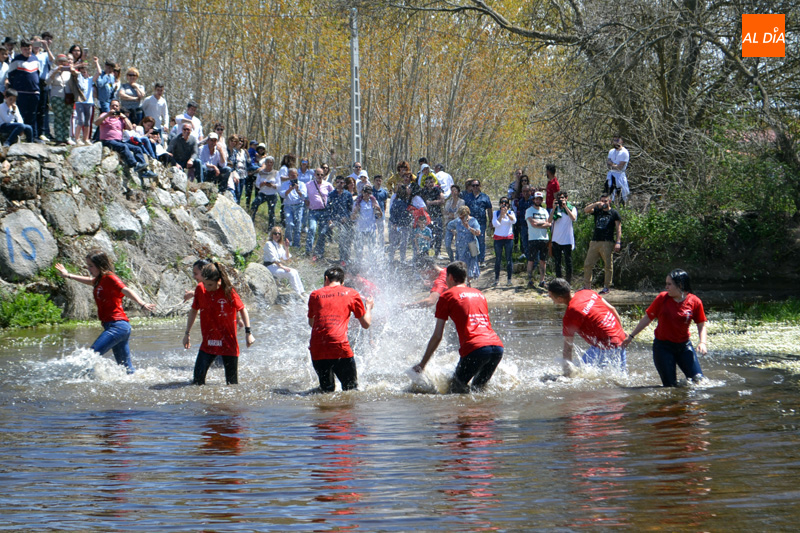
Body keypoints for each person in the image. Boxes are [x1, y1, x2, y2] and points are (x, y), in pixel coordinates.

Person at [54, 250, 156, 374]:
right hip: (118, 327)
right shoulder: (99, 280)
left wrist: (142, 303)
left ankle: (80, 381)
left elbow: (125, 289)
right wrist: (68, 275)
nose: (88, 268)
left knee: (90, 356)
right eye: (88, 265)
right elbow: (90, 281)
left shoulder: (110, 277)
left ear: (100, 265)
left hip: (118, 327)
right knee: (127, 371)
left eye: (91, 265)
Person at [414, 261, 504, 393]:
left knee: (455, 391)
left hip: (475, 348)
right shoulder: (479, 294)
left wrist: (422, 364)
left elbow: (438, 335)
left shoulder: (447, 296)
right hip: (497, 348)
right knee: (478, 391)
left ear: (450, 277)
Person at [622, 269, 708, 387]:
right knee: (670, 386)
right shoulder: (662, 298)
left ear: (680, 285)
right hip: (663, 348)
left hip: (684, 346)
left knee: (699, 381)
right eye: (666, 283)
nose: (666, 287)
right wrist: (631, 336)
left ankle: (689, 404)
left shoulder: (695, 302)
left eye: (669, 284)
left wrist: (702, 342)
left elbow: (701, 324)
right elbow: (647, 318)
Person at [184, 262, 255, 385]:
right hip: (208, 343)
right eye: (204, 283)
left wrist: (248, 333)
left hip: (228, 344)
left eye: (210, 284)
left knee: (232, 384)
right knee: (197, 383)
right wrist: (187, 334)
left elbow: (242, 309)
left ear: (219, 282)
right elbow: (194, 310)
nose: (206, 287)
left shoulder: (228, 292)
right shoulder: (200, 289)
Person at [307, 266, 374, 392]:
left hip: (317, 347)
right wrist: (369, 307)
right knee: (351, 390)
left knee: (326, 391)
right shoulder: (352, 293)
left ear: (326, 279)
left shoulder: (315, 294)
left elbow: (312, 323)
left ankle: (325, 411)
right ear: (342, 282)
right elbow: (366, 324)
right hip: (339, 345)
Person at [547, 278, 627, 376]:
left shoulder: (571, 314)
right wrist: (621, 331)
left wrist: (566, 374)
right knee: (621, 377)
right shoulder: (586, 292)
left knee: (579, 376)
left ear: (559, 299)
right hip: (621, 339)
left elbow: (568, 348)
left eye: (550, 296)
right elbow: (612, 309)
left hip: (607, 345)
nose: (550, 298)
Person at [96, 99, 156, 179]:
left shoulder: (120, 118)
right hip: (107, 140)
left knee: (137, 148)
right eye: (113, 105)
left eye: (116, 106)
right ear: (110, 107)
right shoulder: (104, 115)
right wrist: (107, 115)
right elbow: (96, 123)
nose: (114, 107)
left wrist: (124, 117)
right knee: (123, 147)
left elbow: (130, 127)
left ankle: (145, 171)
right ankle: (134, 164)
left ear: (119, 108)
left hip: (119, 141)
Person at [583, 193, 622, 295]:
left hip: (607, 242)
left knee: (608, 265)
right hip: (595, 241)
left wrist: (618, 241)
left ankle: (606, 287)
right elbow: (586, 210)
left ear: (609, 201)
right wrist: (596, 204)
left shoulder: (614, 213)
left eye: (605, 201)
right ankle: (587, 286)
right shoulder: (597, 211)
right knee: (588, 264)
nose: (603, 203)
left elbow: (618, 229)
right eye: (602, 201)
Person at [7, 40, 43, 142]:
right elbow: (11, 75)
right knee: (20, 115)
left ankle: (33, 137)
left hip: (34, 92)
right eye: (25, 49)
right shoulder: (16, 60)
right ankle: (18, 136)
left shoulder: (35, 59)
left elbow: (38, 75)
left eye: (29, 49)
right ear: (21, 49)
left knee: (33, 115)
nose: (28, 51)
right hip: (21, 92)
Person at [262, 226, 305, 295]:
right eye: (275, 233)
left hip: (276, 266)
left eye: (279, 234)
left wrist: (287, 247)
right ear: (272, 234)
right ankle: (298, 294)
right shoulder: (268, 244)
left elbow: (286, 257)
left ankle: (302, 292)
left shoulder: (279, 245)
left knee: (295, 272)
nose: (277, 235)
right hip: (269, 267)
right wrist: (283, 267)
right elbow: (274, 259)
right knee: (291, 273)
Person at [45, 53, 75, 145]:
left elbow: (77, 82)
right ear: (57, 62)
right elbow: (47, 82)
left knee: (67, 118)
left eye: (64, 61)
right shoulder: (53, 70)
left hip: (68, 97)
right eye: (60, 61)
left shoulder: (69, 71)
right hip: (56, 97)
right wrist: (55, 72)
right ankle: (59, 138)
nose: (62, 63)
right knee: (58, 117)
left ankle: (66, 137)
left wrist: (74, 72)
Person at [547, 191, 577, 282]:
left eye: (562, 198)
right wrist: (553, 208)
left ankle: (568, 281)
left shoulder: (572, 208)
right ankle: (559, 281)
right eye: (559, 198)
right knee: (557, 262)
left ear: (566, 198)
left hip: (567, 239)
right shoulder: (555, 209)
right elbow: (549, 221)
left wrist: (565, 207)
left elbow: (573, 218)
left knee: (568, 262)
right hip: (556, 239)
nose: (561, 200)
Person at [306, 167, 334, 259]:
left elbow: (334, 195)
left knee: (322, 232)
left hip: (324, 211)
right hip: (312, 211)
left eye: (322, 175)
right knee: (312, 229)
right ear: (314, 174)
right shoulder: (308, 184)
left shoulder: (328, 185)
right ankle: (308, 250)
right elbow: (303, 195)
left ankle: (319, 252)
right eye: (318, 174)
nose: (320, 176)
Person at [448, 205, 481, 285]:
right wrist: (454, 231)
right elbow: (449, 225)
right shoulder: (458, 221)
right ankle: (464, 282)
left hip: (471, 245)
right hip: (460, 246)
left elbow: (478, 233)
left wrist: (468, 227)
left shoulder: (473, 221)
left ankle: (469, 282)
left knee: (471, 264)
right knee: (461, 264)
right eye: (460, 217)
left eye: (463, 217)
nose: (461, 219)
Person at [351, 183, 382, 265]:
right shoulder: (357, 202)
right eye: (365, 192)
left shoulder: (374, 201)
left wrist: (379, 209)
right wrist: (355, 211)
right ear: (362, 192)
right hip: (360, 229)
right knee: (359, 249)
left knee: (372, 248)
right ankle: (358, 264)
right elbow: (353, 218)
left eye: (369, 193)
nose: (367, 194)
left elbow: (379, 216)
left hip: (371, 229)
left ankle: (372, 264)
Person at [462, 179, 492, 264]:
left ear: (480, 186)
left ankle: (481, 260)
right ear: (471, 187)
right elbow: (464, 210)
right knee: (471, 240)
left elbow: (489, 209)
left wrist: (490, 221)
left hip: (481, 222)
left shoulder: (485, 197)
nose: (475, 187)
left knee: (481, 240)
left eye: (477, 185)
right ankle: (474, 259)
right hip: (470, 222)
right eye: (473, 185)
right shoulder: (467, 197)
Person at [525, 191, 550, 288]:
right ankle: (530, 280)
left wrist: (539, 224)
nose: (538, 200)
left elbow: (549, 224)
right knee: (531, 260)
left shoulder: (544, 211)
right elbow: (533, 224)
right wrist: (543, 224)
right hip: (533, 238)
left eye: (540, 199)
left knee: (543, 260)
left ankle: (542, 280)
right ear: (533, 199)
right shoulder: (529, 211)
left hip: (544, 238)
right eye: (537, 199)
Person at [328, 176, 354, 265]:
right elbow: (328, 208)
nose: (340, 184)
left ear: (344, 184)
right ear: (335, 183)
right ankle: (342, 258)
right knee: (340, 239)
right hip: (335, 221)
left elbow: (351, 209)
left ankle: (346, 258)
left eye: (342, 182)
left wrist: (347, 217)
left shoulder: (348, 194)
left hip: (346, 221)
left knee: (347, 240)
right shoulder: (331, 194)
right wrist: (330, 220)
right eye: (338, 182)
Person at [492, 196, 516, 286]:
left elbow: (514, 221)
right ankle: (496, 279)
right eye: (502, 203)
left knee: (508, 259)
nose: (504, 204)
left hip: (508, 238)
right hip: (498, 239)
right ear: (499, 204)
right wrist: (501, 216)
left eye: (506, 203)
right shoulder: (496, 213)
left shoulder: (511, 213)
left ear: (508, 205)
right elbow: (495, 224)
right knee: (498, 259)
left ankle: (509, 279)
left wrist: (507, 214)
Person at [280, 168, 307, 247]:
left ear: (297, 175)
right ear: (288, 176)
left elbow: (304, 196)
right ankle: (288, 241)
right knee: (289, 223)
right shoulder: (285, 184)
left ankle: (296, 244)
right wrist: (290, 189)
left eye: (294, 175)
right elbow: (282, 195)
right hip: (288, 206)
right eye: (291, 175)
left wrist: (298, 190)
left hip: (299, 206)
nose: (292, 177)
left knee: (298, 225)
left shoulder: (302, 184)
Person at [420, 174, 445, 257]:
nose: (429, 184)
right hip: (427, 216)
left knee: (438, 234)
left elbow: (442, 200)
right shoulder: (424, 191)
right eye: (427, 183)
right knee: (429, 234)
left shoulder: (437, 189)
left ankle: (438, 252)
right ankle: (430, 253)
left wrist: (431, 202)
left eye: (431, 182)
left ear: (434, 182)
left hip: (437, 214)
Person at [387, 184, 413, 263]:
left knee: (403, 243)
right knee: (394, 242)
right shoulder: (397, 201)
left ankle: (402, 259)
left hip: (405, 225)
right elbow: (392, 212)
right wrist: (394, 223)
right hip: (396, 225)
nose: (409, 191)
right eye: (407, 189)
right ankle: (391, 258)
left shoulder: (407, 201)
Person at [251, 153, 279, 226]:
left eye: (271, 162)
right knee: (254, 204)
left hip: (272, 194)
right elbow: (257, 184)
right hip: (262, 193)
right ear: (265, 163)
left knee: (271, 212)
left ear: (273, 163)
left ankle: (271, 228)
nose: (269, 164)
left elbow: (279, 185)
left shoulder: (276, 173)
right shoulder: (261, 172)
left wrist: (272, 185)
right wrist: (262, 184)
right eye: (268, 162)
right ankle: (251, 221)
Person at [73, 62, 94, 145]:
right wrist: (79, 65)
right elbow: (72, 69)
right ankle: (77, 138)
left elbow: (99, 73)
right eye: (82, 72)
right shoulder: (77, 78)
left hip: (89, 102)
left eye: (85, 71)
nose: (83, 73)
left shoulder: (90, 79)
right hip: (80, 101)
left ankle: (86, 139)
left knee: (87, 121)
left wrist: (96, 62)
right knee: (80, 120)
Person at [443, 184, 465, 262]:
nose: (453, 192)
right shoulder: (448, 202)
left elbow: (460, 214)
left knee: (458, 245)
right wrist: (450, 215)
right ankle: (451, 260)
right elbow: (445, 213)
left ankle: (458, 260)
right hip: (448, 225)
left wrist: (451, 215)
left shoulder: (462, 202)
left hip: (458, 226)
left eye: (455, 190)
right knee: (447, 245)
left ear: (458, 192)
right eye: (452, 190)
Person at [605, 136, 630, 205]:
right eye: (614, 140)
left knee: (621, 196)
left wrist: (612, 165)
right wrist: (615, 165)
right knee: (608, 194)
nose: (615, 142)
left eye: (617, 140)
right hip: (611, 175)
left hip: (619, 177)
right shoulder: (611, 151)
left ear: (621, 141)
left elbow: (620, 167)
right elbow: (608, 163)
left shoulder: (624, 152)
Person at [514, 184, 534, 258]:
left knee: (532, 243)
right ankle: (528, 258)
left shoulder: (533, 201)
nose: (525, 193)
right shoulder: (521, 201)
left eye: (527, 191)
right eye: (523, 191)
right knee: (524, 243)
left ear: (530, 192)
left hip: (532, 226)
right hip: (523, 225)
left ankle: (534, 260)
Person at [372, 175, 389, 246]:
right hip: (372, 216)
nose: (378, 182)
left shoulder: (384, 192)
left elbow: (385, 203)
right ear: (374, 181)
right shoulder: (371, 191)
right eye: (377, 180)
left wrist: (383, 212)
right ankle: (374, 247)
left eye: (380, 180)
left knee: (381, 232)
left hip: (381, 215)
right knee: (373, 233)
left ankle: (381, 247)